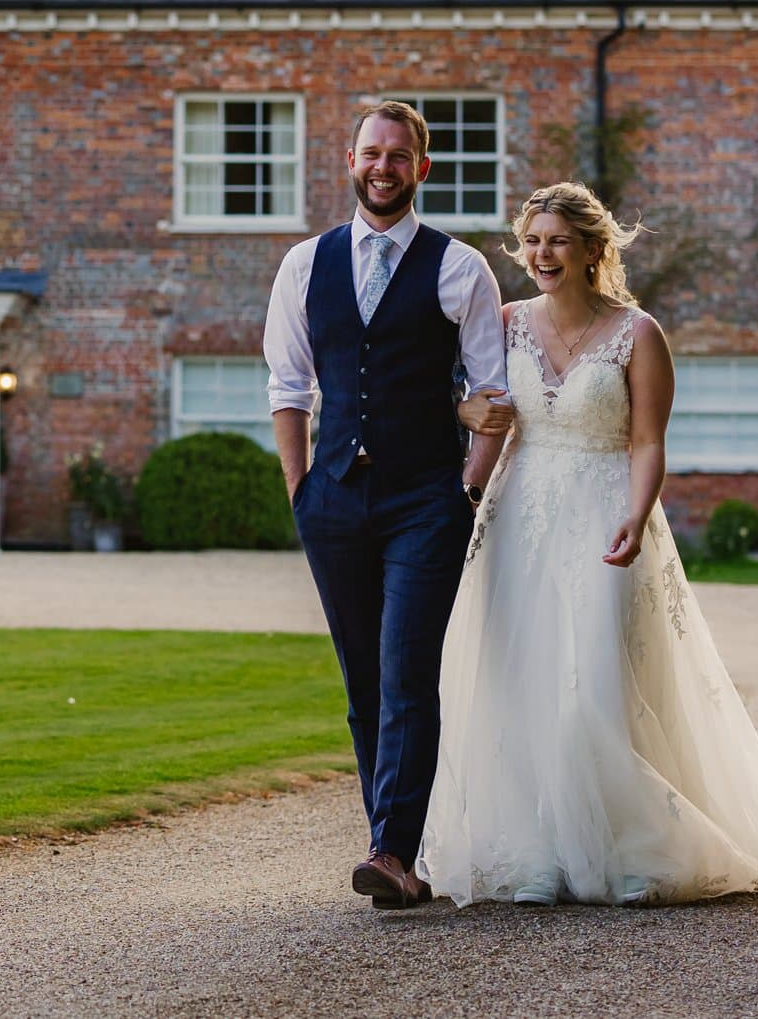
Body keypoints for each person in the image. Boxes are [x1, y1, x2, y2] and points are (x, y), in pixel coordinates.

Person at [417, 181, 758, 906]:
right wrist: (465, 467)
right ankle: (536, 854)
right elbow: (478, 412)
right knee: (518, 680)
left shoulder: (638, 333)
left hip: (604, 512)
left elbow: (647, 441)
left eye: (558, 241)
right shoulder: (506, 322)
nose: (542, 254)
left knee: (594, 680)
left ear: (593, 249)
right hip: (518, 515)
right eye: (532, 241)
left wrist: (636, 510)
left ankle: (629, 847)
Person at [264, 100, 513, 909]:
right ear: (350, 160)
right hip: (333, 497)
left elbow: (493, 392)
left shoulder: (460, 268)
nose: (383, 167)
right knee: (363, 682)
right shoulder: (305, 264)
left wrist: (467, 487)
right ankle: (398, 849)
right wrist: (301, 488)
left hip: (425, 500)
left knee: (406, 670)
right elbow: (288, 385)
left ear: (421, 168)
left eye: (399, 155)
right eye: (371, 152)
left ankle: (392, 850)